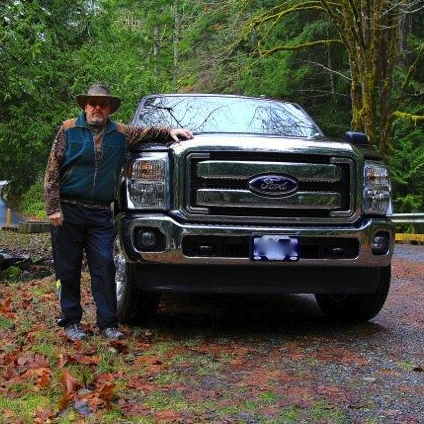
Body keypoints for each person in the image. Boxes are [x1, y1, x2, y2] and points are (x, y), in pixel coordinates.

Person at [44, 83, 192, 341]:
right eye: (93, 103)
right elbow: (52, 170)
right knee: (68, 269)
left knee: (105, 267)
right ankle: (71, 321)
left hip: (101, 213)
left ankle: (108, 324)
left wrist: (170, 131)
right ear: (85, 106)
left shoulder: (121, 133)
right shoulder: (68, 130)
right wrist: (53, 208)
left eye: (103, 104)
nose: (97, 108)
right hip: (68, 211)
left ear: (110, 108)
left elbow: (148, 132)